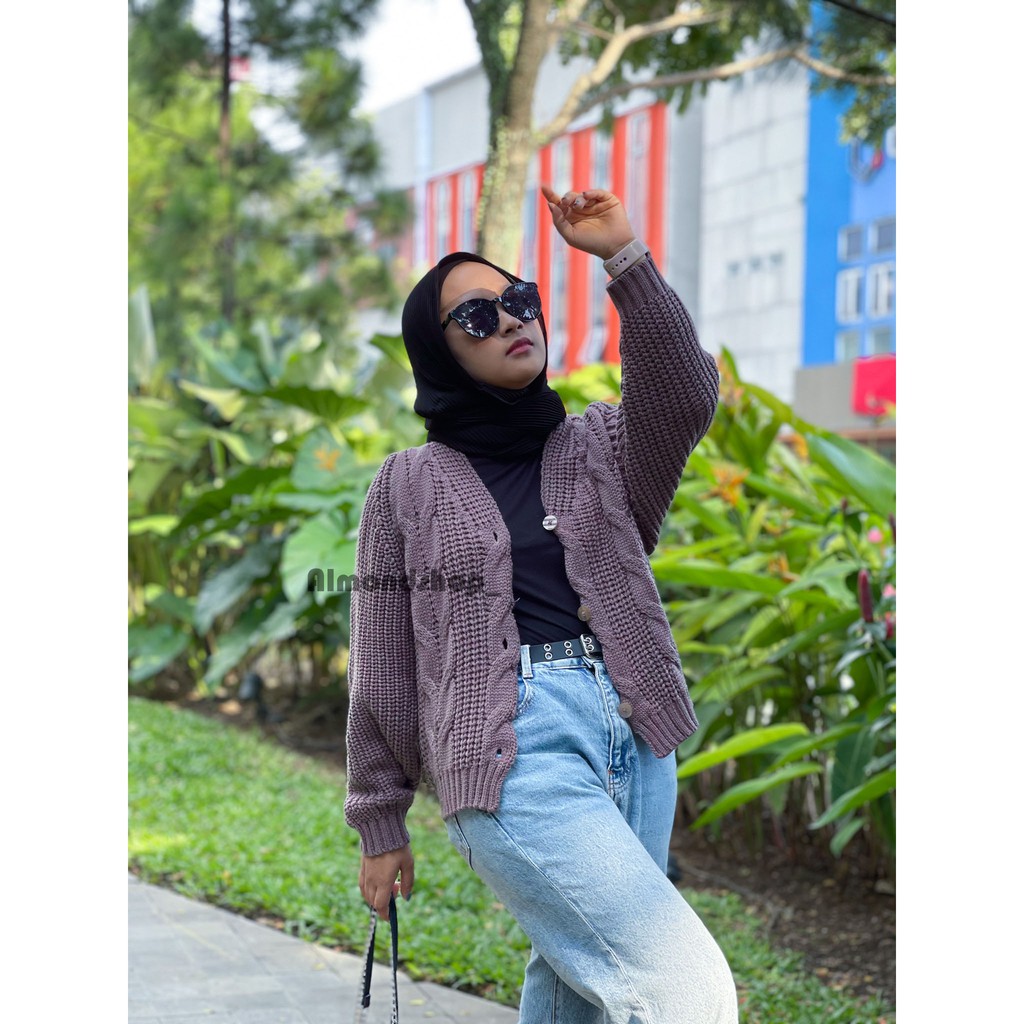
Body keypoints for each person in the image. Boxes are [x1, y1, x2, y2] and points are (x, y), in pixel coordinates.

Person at [344, 186, 739, 1024]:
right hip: (512, 755)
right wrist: (381, 821)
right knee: (684, 989)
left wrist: (623, 256)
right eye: (476, 316)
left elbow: (684, 396)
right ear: (439, 353)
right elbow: (382, 663)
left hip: (637, 736)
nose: (510, 320)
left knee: (577, 991)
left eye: (518, 300)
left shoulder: (600, 447)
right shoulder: (406, 486)